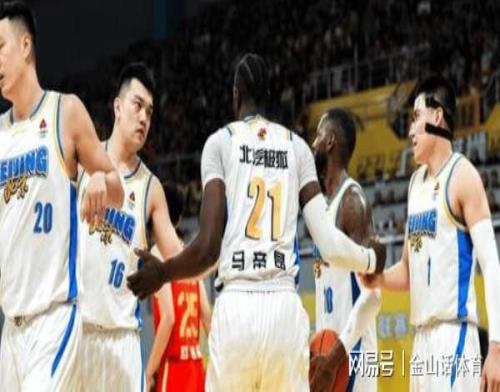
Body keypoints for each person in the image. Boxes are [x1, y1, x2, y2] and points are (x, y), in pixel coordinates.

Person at [128, 53, 385, 391]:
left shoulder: (220, 143)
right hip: (283, 308)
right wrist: (370, 259)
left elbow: (207, 249)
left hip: (238, 306)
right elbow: (328, 243)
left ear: (236, 95)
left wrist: (163, 273)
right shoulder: (297, 148)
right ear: (269, 96)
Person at [0, 0, 124, 391]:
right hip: (10, 328)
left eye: (0, 46)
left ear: (25, 46)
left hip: (54, 319)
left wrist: (102, 180)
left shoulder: (64, 111)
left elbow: (117, 188)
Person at [361, 76, 500, 391]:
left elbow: (491, 265)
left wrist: (495, 348)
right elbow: (407, 270)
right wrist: (378, 278)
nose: (410, 131)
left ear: (437, 116)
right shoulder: (414, 184)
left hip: (453, 335)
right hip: (421, 341)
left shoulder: (463, 175)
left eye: (416, 118)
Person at [78, 63, 183, 391]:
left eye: (149, 112)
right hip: (77, 331)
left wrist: (217, 246)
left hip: (123, 340)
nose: (143, 118)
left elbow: (178, 256)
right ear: (117, 107)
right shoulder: (81, 161)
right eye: (137, 106)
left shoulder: (151, 188)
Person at [310, 108, 382, 392]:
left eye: (318, 135)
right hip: (329, 355)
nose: (313, 143)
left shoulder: (352, 201)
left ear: (330, 141)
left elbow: (373, 296)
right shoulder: (322, 207)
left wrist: (333, 358)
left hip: (354, 356)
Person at [147, 182, 211, 392]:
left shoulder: (158, 255)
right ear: (180, 218)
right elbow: (206, 315)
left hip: (174, 367)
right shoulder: (189, 256)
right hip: (196, 365)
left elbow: (169, 318)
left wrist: (149, 371)